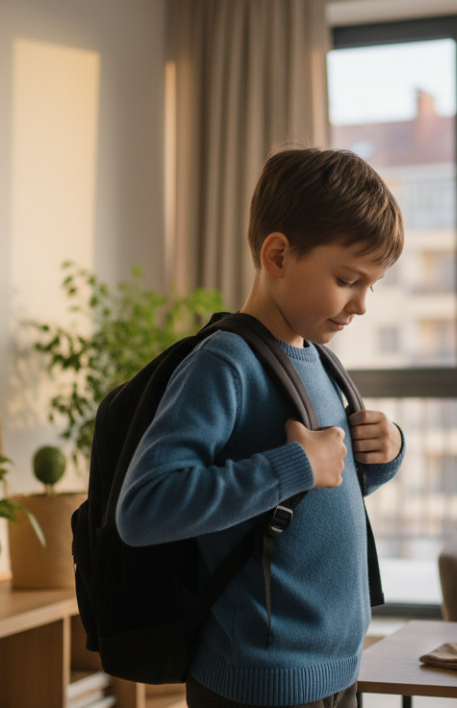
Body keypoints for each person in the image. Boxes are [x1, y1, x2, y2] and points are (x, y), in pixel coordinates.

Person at [117, 148, 406, 708]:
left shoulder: (318, 360)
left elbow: (304, 501)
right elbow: (145, 507)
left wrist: (383, 453)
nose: (362, 304)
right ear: (277, 255)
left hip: (337, 669)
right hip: (261, 684)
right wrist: (297, 464)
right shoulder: (224, 363)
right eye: (348, 279)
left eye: (373, 285)